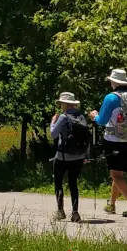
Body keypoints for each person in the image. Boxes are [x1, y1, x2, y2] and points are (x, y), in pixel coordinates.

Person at [90, 68, 127, 216]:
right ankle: (111, 204)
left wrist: (94, 116)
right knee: (118, 173)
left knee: (116, 174)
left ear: (114, 82)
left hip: (114, 140)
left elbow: (102, 120)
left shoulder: (111, 98)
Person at [51, 92, 90, 222]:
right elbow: (86, 138)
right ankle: (75, 213)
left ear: (65, 104)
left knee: (58, 182)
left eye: (61, 103)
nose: (60, 106)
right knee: (73, 183)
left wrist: (52, 122)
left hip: (62, 156)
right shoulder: (82, 117)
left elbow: (53, 134)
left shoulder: (63, 117)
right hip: (79, 156)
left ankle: (60, 211)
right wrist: (86, 155)